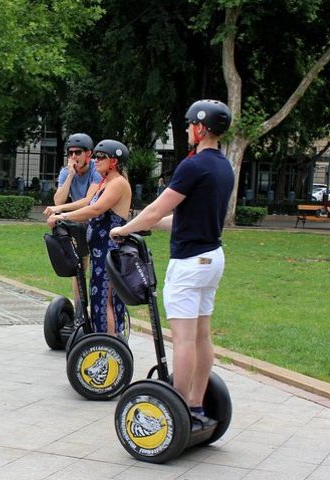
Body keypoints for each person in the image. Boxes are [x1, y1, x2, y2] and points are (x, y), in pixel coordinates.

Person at [109, 99, 234, 428]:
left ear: (201, 128)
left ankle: (177, 411)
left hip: (189, 263)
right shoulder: (223, 166)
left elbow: (156, 209)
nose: (188, 129)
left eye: (191, 123)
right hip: (212, 259)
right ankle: (195, 405)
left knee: (182, 339)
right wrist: (145, 225)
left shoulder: (192, 166)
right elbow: (181, 217)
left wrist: (123, 227)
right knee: (202, 336)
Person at [46, 139, 132, 335]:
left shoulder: (118, 183)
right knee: (99, 299)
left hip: (110, 251)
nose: (96, 160)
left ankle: (110, 346)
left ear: (114, 161)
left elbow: (95, 209)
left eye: (101, 157)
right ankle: (102, 343)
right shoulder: (105, 182)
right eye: (96, 156)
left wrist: (63, 215)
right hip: (100, 252)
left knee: (106, 300)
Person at [44, 133, 103, 302]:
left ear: (89, 154)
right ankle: (79, 309)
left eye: (78, 152)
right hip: (79, 222)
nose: (73, 157)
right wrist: (70, 175)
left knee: (98, 267)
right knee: (79, 266)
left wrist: (59, 211)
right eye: (70, 153)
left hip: (97, 220)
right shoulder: (66, 172)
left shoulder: (96, 170)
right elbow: (58, 199)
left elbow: (88, 202)